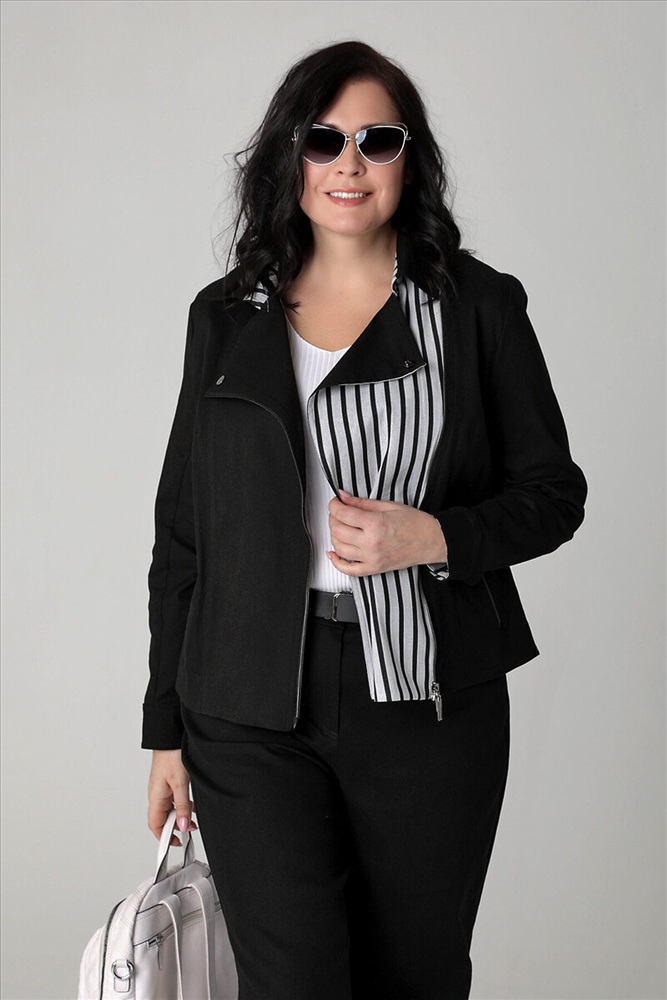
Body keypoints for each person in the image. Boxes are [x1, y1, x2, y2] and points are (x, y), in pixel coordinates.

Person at [142, 40, 587, 1000]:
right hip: (246, 702)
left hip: (427, 703)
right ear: (290, 156)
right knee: (292, 981)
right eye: (323, 139)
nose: (348, 163)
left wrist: (435, 537)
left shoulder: (474, 307)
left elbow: (554, 493)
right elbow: (184, 533)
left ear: (409, 160)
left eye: (376, 141)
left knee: (414, 978)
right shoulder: (225, 316)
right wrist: (164, 727)